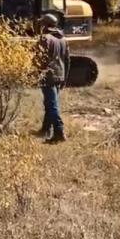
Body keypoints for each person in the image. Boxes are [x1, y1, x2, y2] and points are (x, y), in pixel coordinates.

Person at [38, 13, 70, 143]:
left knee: (52, 105)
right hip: (60, 75)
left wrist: (38, 73)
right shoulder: (63, 39)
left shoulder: (45, 38)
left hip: (49, 75)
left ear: (45, 25)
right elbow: (68, 60)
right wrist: (65, 78)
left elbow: (41, 59)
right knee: (50, 102)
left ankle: (59, 132)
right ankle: (46, 129)